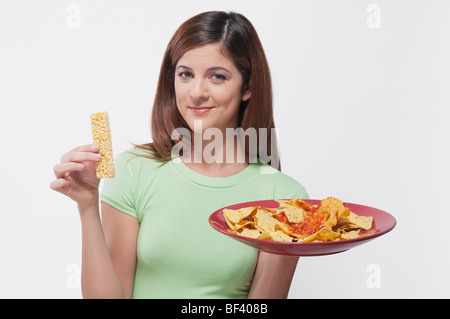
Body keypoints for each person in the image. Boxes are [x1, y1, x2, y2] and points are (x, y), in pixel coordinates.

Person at [50, 11, 308, 299]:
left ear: (247, 87)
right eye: (185, 74)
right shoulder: (133, 171)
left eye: (217, 76)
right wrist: (87, 206)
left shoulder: (284, 197)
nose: (196, 92)